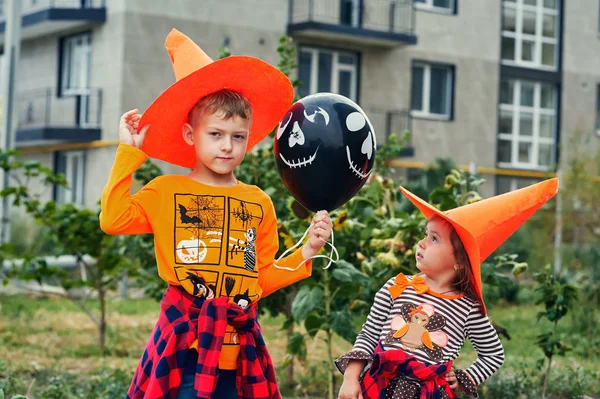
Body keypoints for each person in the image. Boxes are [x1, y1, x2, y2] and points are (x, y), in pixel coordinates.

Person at [99, 29, 332, 399]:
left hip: (239, 355)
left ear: (249, 138)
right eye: (216, 134)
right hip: (184, 350)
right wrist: (129, 154)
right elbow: (113, 219)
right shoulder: (166, 191)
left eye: (238, 137)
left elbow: (258, 280)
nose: (227, 146)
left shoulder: (258, 202)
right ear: (191, 135)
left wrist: (306, 253)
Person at [336, 179, 558, 398]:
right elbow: (368, 335)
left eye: (434, 239)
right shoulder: (397, 286)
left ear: (459, 261)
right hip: (377, 386)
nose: (421, 243)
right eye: (425, 235)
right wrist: (350, 378)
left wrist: (466, 378)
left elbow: (493, 354)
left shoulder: (467, 307)